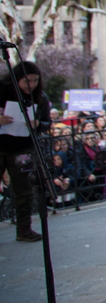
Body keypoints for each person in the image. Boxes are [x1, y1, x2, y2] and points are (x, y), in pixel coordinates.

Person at [0, 61, 52, 241]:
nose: (31, 85)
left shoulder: (40, 98)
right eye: (27, 81)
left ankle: (24, 229)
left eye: (35, 81)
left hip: (23, 148)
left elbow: (47, 122)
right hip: (2, 143)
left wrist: (39, 124)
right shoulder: (2, 91)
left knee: (24, 189)